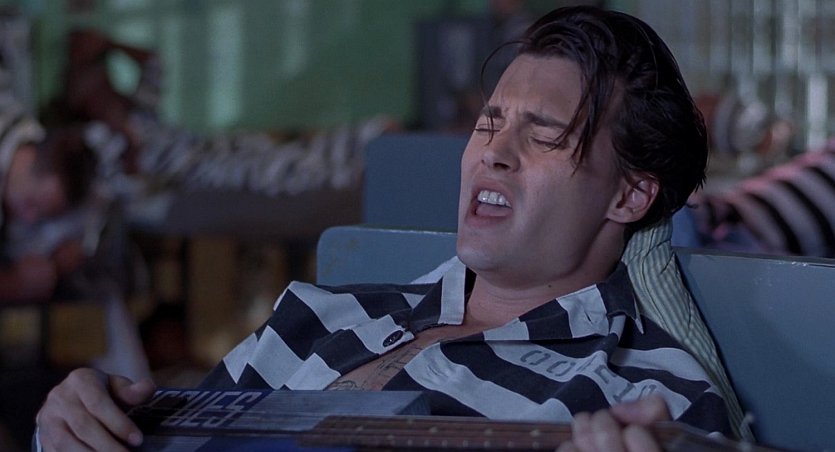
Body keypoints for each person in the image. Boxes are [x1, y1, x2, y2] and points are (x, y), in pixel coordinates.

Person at [36, 6, 737, 451]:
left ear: (629, 194)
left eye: (544, 135)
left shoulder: (643, 401)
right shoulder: (317, 314)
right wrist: (77, 427)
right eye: (488, 123)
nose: (491, 152)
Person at [0, 108, 98, 303]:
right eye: (30, 203)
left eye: (42, 213)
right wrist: (12, 284)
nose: (29, 218)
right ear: (30, 160)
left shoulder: (30, 137)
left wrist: (63, 257)